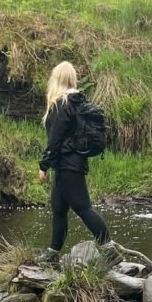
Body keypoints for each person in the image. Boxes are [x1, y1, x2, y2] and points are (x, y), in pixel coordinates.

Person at [38, 61, 110, 262]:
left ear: (56, 79)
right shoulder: (76, 101)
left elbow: (55, 139)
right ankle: (53, 252)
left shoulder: (61, 104)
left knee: (82, 207)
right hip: (69, 163)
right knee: (59, 209)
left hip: (68, 164)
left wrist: (43, 165)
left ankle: (109, 249)